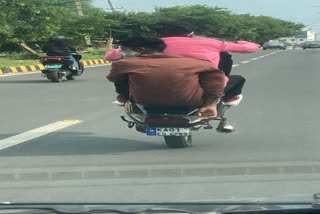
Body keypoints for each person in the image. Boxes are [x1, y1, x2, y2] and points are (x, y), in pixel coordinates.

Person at [105, 21, 261, 132]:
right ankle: (223, 101)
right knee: (228, 76)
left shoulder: (148, 46)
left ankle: (123, 97)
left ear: (157, 35)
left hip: (144, 95)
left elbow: (112, 57)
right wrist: (240, 41)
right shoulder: (211, 45)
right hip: (200, 94)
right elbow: (250, 48)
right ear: (191, 35)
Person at [107, 36, 226, 120]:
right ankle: (211, 106)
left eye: (123, 49)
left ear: (140, 50)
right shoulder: (197, 63)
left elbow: (113, 78)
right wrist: (210, 104)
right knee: (215, 79)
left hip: (143, 101)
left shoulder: (124, 63)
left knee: (121, 76)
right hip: (190, 102)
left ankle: (123, 98)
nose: (121, 53)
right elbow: (216, 80)